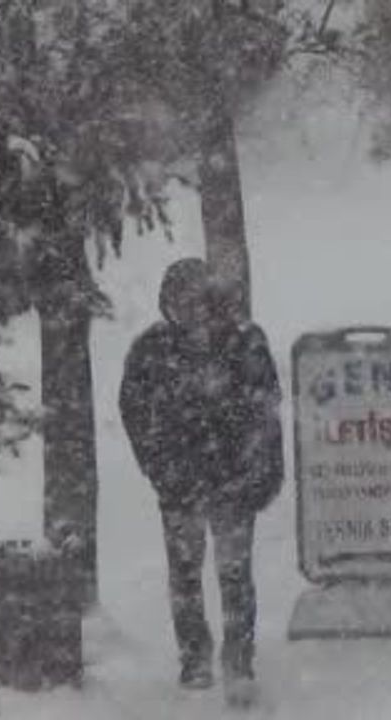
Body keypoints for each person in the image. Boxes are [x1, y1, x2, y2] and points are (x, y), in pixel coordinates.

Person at [119, 258, 283, 708]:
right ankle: (194, 657)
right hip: (180, 486)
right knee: (186, 575)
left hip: (233, 484)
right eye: (179, 300)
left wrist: (257, 474)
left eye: (198, 300)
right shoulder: (151, 350)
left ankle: (238, 662)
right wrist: (160, 468)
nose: (190, 310)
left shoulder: (246, 344)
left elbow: (265, 414)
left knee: (235, 576)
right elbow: (134, 413)